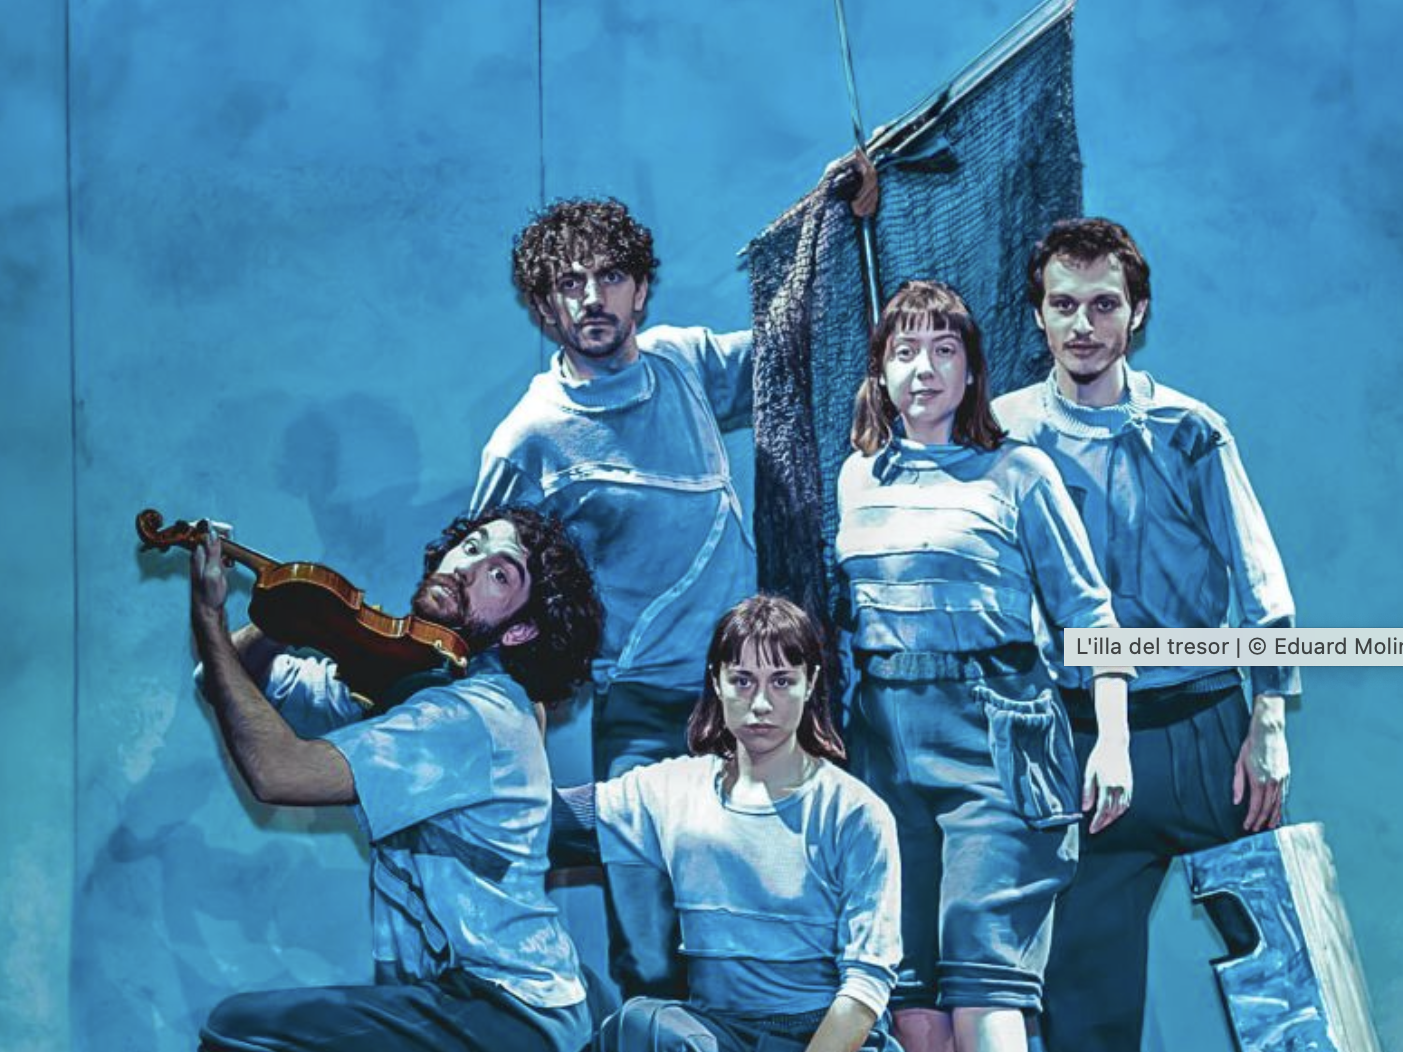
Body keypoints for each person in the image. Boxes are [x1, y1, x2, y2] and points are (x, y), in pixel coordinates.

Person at [992, 217, 1298, 1052]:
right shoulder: (1002, 436)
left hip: (1207, 736)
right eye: (1064, 305)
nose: (1083, 325)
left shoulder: (1191, 431)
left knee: (1286, 978)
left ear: (1138, 313)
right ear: (1038, 316)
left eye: (1103, 304)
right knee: (1081, 1000)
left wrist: (1269, 719)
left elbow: (1261, 584)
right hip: (1079, 743)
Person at [833, 280, 1132, 1052]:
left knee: (984, 981)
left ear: (970, 371)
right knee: (910, 993)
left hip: (998, 743)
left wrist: (1114, 740)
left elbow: (1090, 617)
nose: (924, 369)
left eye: (944, 350)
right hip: (885, 749)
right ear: (880, 371)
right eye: (905, 351)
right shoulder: (858, 478)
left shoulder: (1018, 472)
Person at [470, 197, 757, 999]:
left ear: (642, 290)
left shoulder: (685, 364)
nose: (592, 298)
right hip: (641, 715)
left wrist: (848, 218)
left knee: (753, 936)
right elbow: (475, 599)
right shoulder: (529, 439)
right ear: (542, 306)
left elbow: (808, 339)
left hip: (751, 704)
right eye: (570, 283)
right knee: (650, 952)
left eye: (611, 277)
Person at [191, 506, 604, 1052]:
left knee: (234, 1026)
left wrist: (209, 620)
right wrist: (277, 623)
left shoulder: (475, 717)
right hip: (449, 996)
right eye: (471, 547)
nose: (467, 567)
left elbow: (278, 773)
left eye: (500, 574)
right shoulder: (410, 689)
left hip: (512, 1011)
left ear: (521, 628)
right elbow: (224, 682)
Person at [550, 595, 903, 1052]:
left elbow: (865, 987)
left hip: (828, 1037)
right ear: (716, 681)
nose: (761, 703)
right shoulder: (672, 789)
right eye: (742, 680)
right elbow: (538, 818)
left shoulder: (855, 812)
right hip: (715, 1035)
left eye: (782, 681)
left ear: (811, 682)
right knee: (639, 1023)